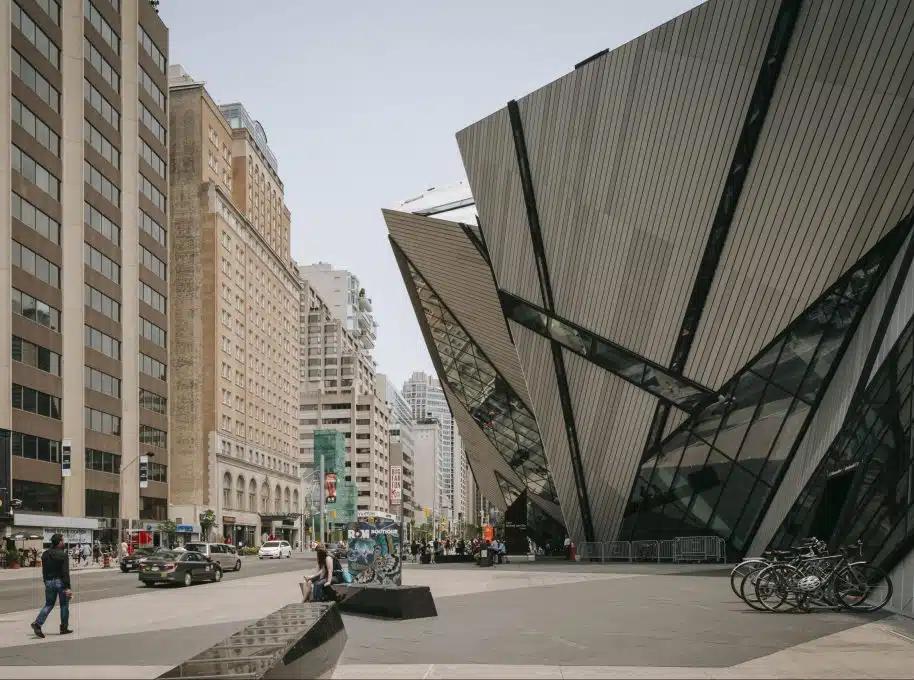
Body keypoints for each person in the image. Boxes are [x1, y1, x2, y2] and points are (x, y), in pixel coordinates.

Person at [31, 534, 73, 638]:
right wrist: (68, 587)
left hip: (49, 581)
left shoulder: (45, 554)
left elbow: (44, 570)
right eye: (62, 541)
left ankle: (37, 623)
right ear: (59, 542)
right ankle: (64, 627)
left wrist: (45, 581)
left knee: (49, 604)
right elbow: (65, 572)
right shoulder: (63, 555)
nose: (64, 542)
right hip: (60, 582)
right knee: (64, 605)